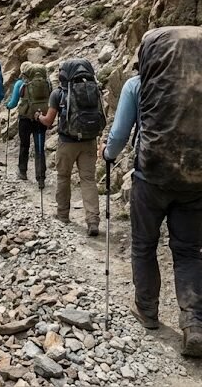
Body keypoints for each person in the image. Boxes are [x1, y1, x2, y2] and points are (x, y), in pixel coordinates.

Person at [101, 27, 202, 357]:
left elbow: (118, 134)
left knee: (144, 244)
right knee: (187, 251)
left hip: (151, 177)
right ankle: (194, 325)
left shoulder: (137, 84)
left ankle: (147, 310)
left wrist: (108, 155)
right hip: (195, 180)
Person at [35, 58, 105, 237]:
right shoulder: (94, 90)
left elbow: (49, 122)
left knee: (63, 177)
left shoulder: (58, 93)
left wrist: (38, 117)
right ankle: (93, 221)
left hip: (67, 142)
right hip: (89, 140)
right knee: (88, 179)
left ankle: (63, 215)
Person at [6, 61, 49, 187]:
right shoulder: (47, 84)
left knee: (24, 145)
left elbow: (13, 103)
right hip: (40, 118)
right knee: (39, 147)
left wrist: (7, 106)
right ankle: (41, 178)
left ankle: (22, 171)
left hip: (25, 119)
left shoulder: (21, 84)